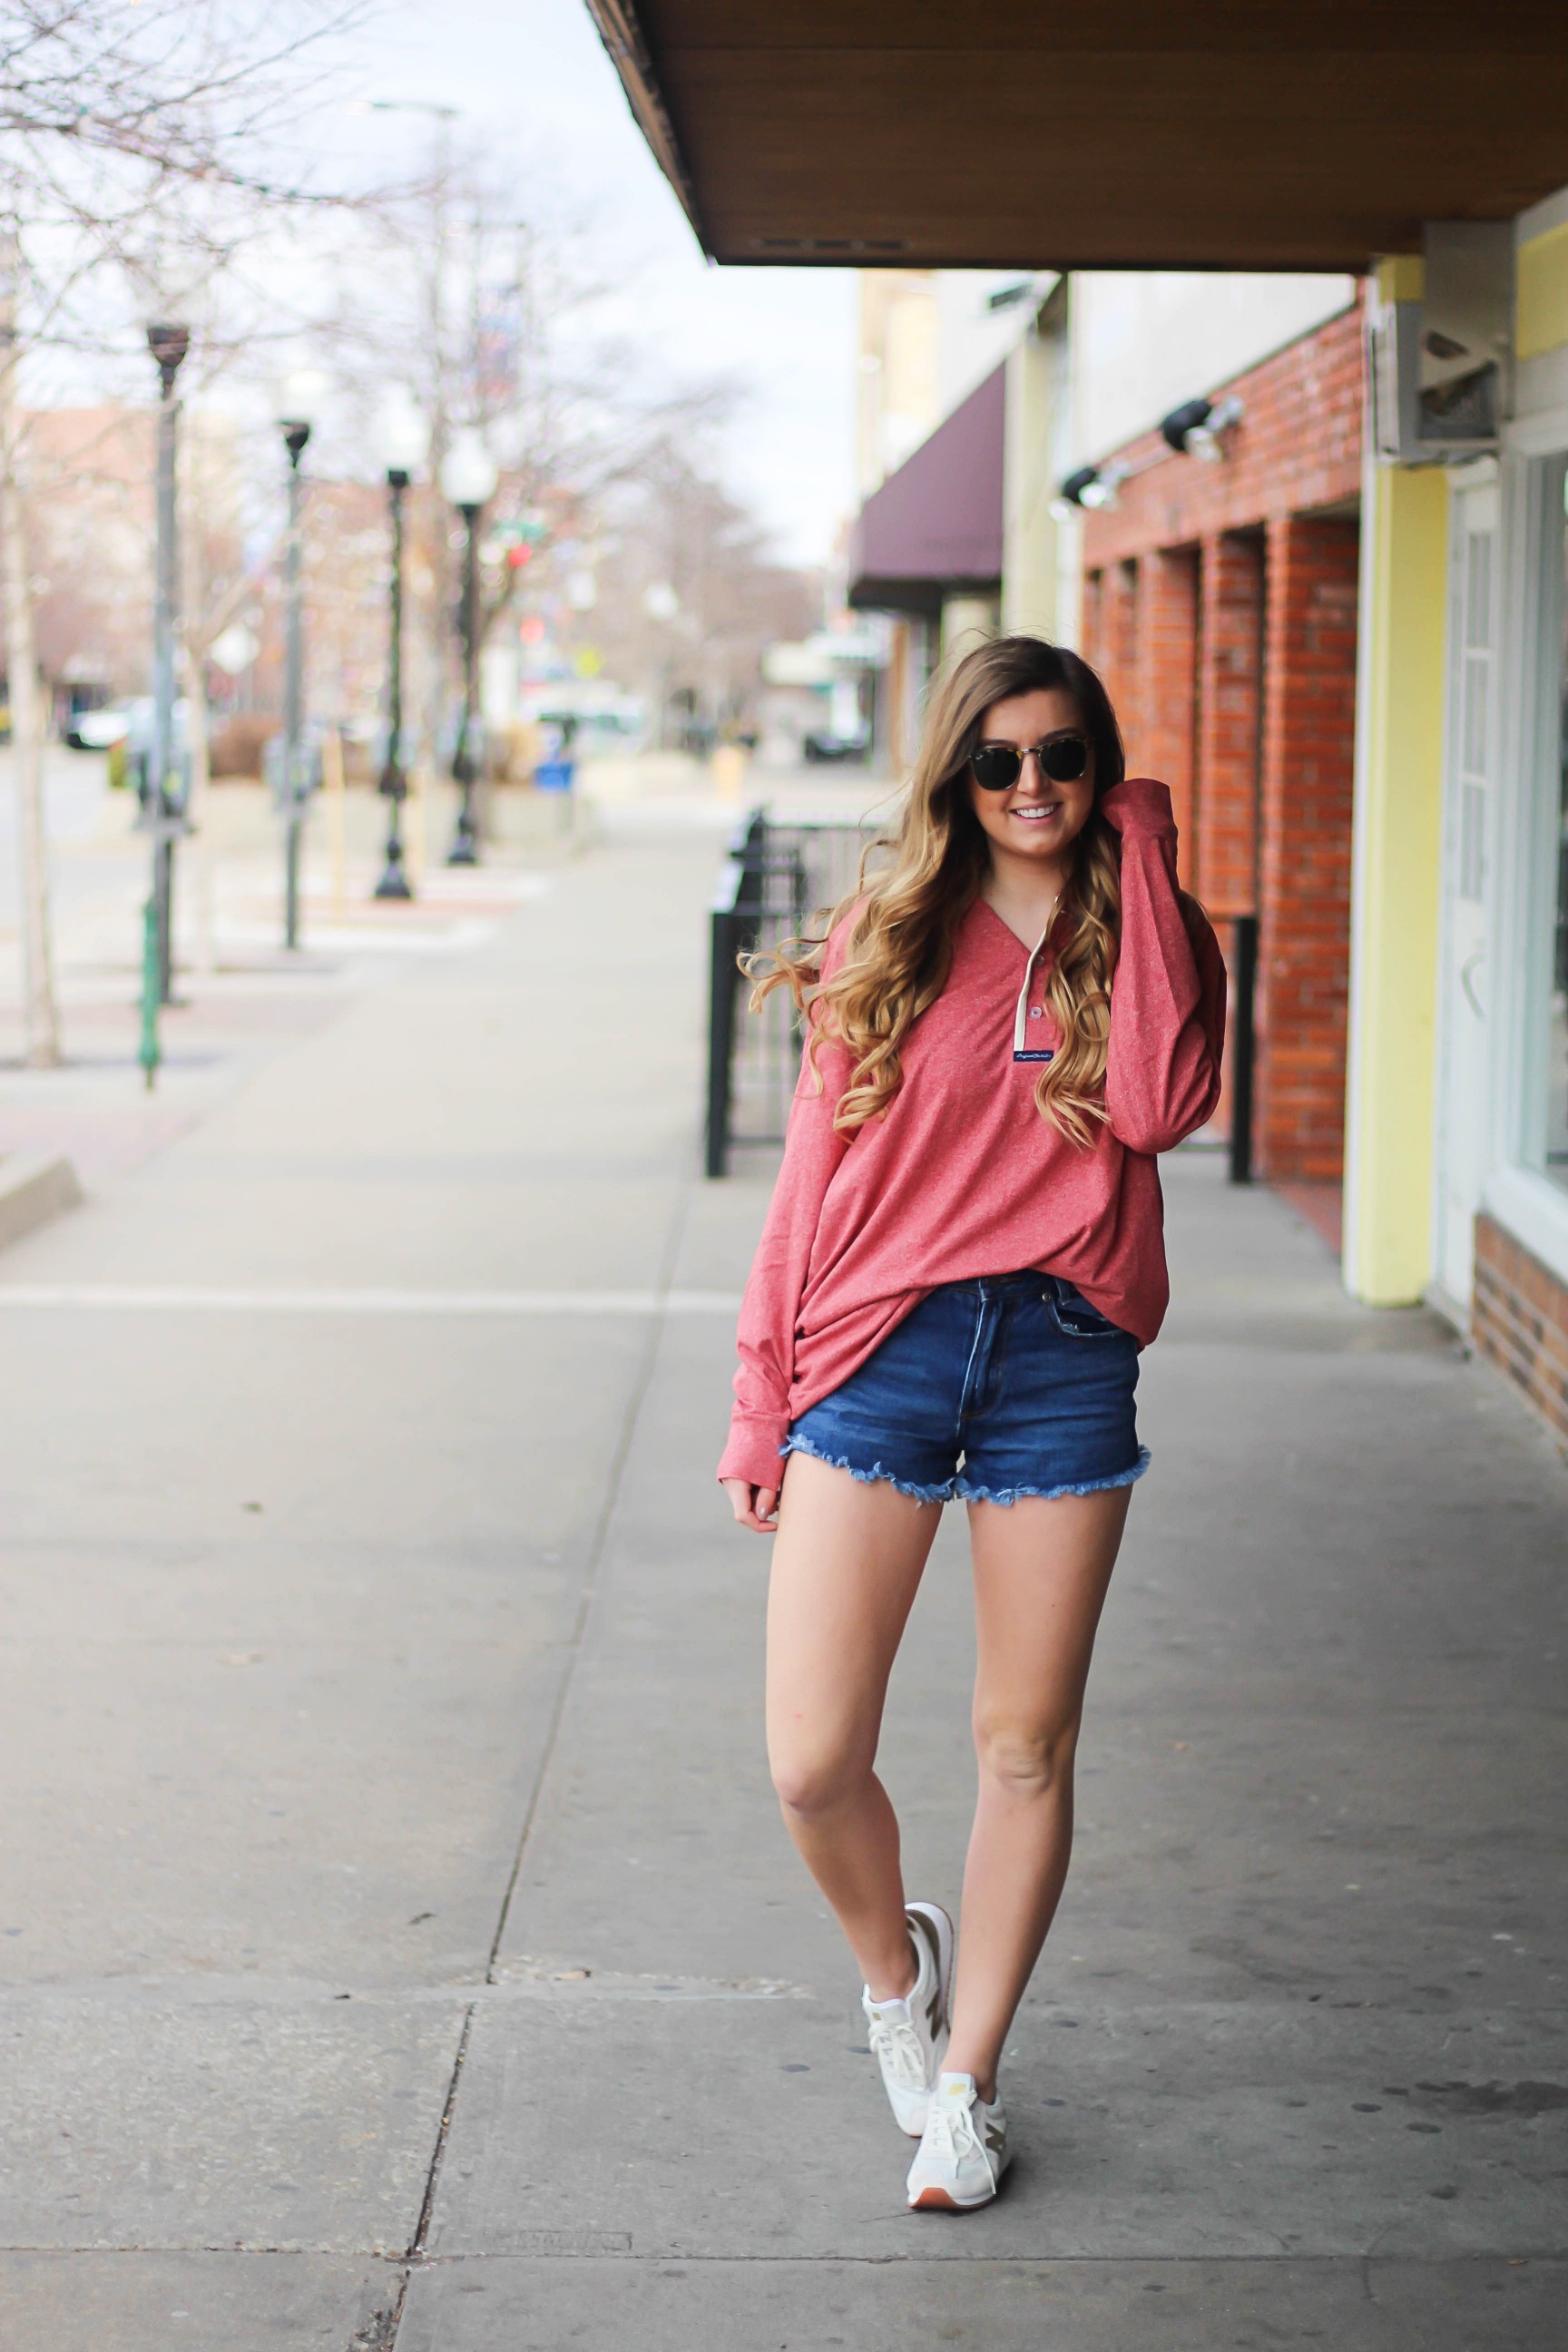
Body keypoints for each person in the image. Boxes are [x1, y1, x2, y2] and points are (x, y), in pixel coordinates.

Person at [719, 634, 1226, 2211]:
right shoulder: (889, 931)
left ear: (1099, 764)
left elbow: (1155, 1106)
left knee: (1022, 1742)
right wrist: (761, 1396)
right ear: (954, 772)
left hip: (1062, 1354)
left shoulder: (1137, 921)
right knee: (812, 1761)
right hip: (880, 1347)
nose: (1031, 786)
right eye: (997, 760)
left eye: (1063, 757)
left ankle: (969, 2082)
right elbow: (811, 1181)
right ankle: (897, 1974)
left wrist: (1139, 842)